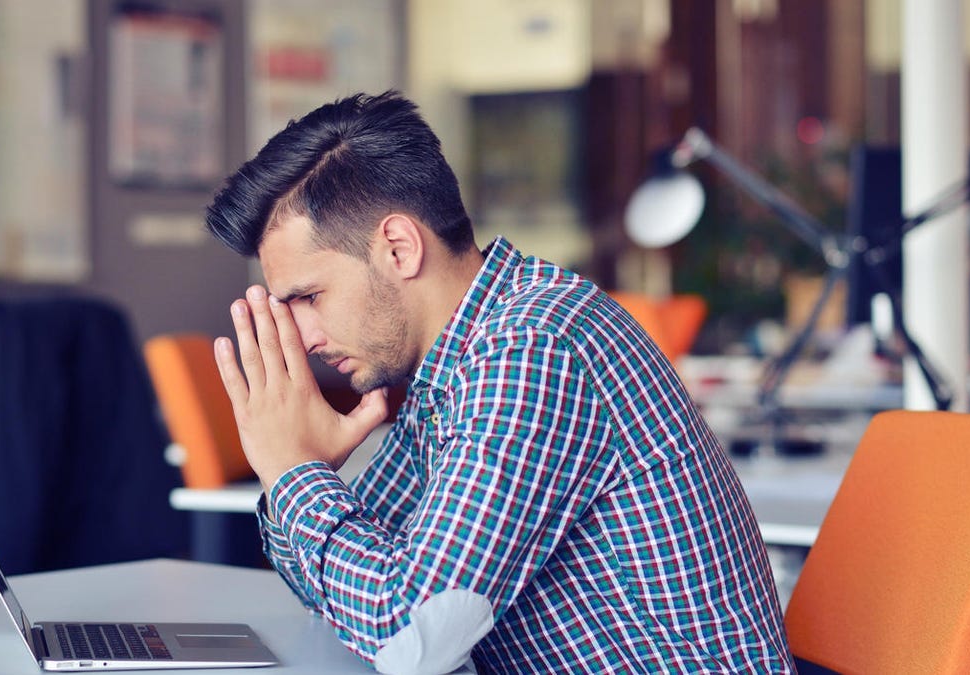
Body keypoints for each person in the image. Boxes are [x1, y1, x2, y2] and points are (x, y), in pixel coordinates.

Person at [204, 91, 794, 674]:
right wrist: (303, 474)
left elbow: (407, 638)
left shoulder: (532, 347)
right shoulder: (450, 366)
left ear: (399, 248)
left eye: (309, 296)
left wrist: (292, 474)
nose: (303, 336)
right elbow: (342, 591)